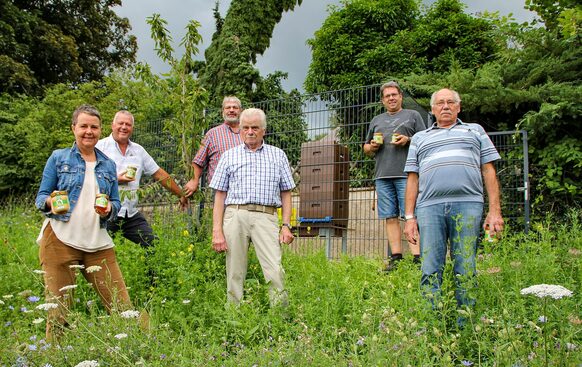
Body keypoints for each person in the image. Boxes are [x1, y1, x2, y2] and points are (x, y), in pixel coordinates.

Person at [403, 88, 504, 316]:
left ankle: (465, 324)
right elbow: (412, 178)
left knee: (466, 266)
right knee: (430, 268)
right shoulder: (420, 138)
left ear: (459, 107)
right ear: (433, 109)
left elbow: (488, 170)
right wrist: (409, 218)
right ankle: (432, 323)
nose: (445, 106)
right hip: (429, 208)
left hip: (468, 204)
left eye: (450, 102)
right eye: (440, 103)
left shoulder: (475, 131)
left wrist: (494, 211)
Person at [35, 105, 131, 340]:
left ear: (100, 130)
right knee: (58, 312)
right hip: (59, 241)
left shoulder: (108, 164)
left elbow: (116, 203)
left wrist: (109, 208)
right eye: (83, 126)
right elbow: (40, 198)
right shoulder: (59, 158)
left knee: (123, 307)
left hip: (98, 244)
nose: (89, 131)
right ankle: (53, 358)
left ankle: (142, 352)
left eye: (94, 127)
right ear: (74, 128)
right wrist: (52, 201)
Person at [210, 108, 295, 306]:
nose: (250, 131)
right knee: (234, 271)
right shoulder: (229, 156)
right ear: (240, 130)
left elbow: (287, 192)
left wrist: (286, 225)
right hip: (235, 214)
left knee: (274, 269)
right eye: (246, 127)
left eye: (255, 127)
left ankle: (280, 318)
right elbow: (220, 195)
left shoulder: (278, 155)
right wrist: (217, 231)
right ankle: (234, 318)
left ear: (263, 130)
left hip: (267, 216)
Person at [96, 110, 188, 249]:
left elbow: (159, 174)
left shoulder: (138, 151)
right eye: (121, 123)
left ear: (132, 128)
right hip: (106, 212)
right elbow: (88, 175)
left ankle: (152, 271)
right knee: (99, 252)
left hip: (130, 213)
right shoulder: (99, 147)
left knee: (153, 245)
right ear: (112, 125)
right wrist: (115, 179)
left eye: (128, 124)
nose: (124, 127)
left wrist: (180, 194)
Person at [363, 81, 426, 271]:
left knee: (410, 216)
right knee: (389, 217)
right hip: (382, 175)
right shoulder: (376, 120)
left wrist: (408, 140)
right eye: (387, 96)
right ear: (383, 100)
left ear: (401, 97)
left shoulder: (413, 116)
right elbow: (365, 148)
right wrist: (372, 147)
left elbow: (425, 140)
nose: (391, 98)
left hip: (407, 174)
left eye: (394, 94)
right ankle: (396, 258)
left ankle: (418, 258)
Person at [183, 96, 244, 197]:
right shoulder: (212, 134)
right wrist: (194, 181)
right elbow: (198, 161)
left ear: (241, 111)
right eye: (228, 108)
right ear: (222, 111)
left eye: (235, 107)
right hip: (221, 191)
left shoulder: (248, 133)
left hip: (245, 189)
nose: (231, 110)